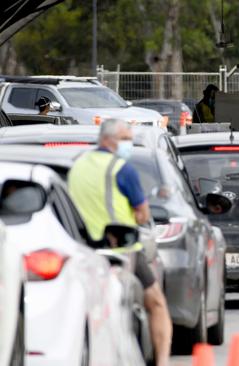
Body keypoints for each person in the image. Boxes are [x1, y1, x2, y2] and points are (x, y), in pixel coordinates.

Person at [68, 119, 172, 366]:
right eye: (125, 138)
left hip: (83, 249)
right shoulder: (121, 168)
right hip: (122, 250)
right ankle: (163, 361)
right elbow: (143, 214)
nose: (129, 143)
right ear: (107, 139)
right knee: (156, 302)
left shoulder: (77, 165)